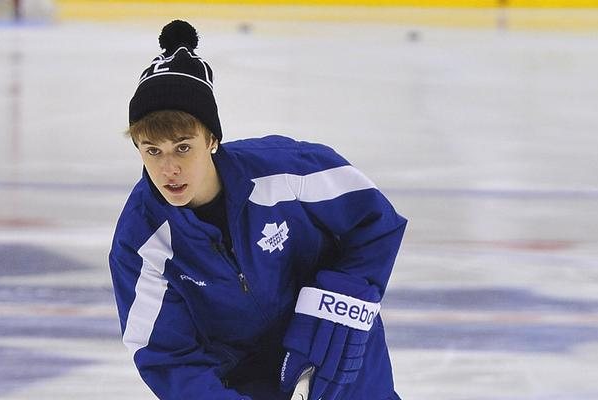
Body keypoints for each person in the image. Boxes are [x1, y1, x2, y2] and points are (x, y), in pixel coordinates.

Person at [109, 20, 406, 400]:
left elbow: (375, 223)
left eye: (183, 147)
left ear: (211, 139)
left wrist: (331, 312)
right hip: (241, 382)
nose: (169, 169)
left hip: (334, 349)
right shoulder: (142, 241)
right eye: (153, 151)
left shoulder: (288, 171)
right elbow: (167, 356)